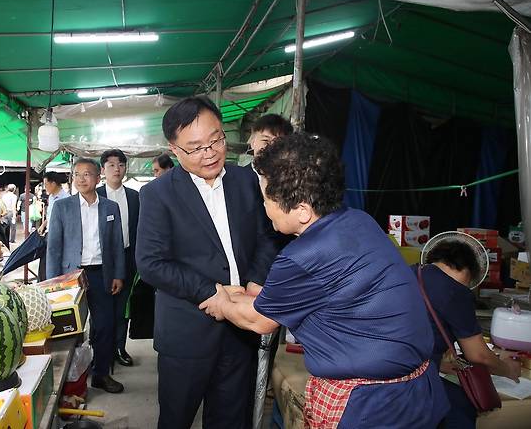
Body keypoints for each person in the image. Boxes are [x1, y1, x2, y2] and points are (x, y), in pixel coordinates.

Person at [200, 133, 449, 428]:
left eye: (266, 198)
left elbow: (260, 321)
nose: (264, 208)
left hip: (372, 404)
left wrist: (221, 303)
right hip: (417, 387)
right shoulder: (358, 220)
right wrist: (237, 295)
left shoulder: (303, 255)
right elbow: (300, 295)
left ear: (302, 211)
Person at [136, 95, 279, 429]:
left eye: (216, 140)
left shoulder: (248, 181)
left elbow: (268, 236)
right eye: (196, 147)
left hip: (241, 326)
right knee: (176, 418)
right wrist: (210, 293)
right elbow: (150, 262)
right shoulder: (158, 195)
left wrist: (256, 282)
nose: (210, 152)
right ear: (175, 149)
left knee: (231, 418)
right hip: (187, 331)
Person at [414, 238, 521, 428]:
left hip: (384, 375)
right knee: (461, 408)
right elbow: (479, 356)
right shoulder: (455, 292)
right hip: (415, 384)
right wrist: (507, 369)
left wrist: (437, 363)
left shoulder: (410, 273)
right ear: (469, 270)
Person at [47, 158, 126, 393]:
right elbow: (54, 246)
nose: (81, 179)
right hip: (72, 277)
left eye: (87, 174)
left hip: (102, 274)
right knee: (70, 329)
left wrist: (118, 275)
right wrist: (54, 282)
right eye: (77, 174)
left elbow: (116, 244)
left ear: (97, 177)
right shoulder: (62, 207)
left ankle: (101, 374)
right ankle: (68, 381)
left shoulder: (110, 208)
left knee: (104, 326)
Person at [98, 149, 140, 367]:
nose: (117, 168)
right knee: (102, 308)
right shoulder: (96, 195)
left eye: (121, 164)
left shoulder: (134, 197)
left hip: (127, 257)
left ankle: (119, 348)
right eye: (112, 164)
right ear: (103, 169)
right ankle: (100, 351)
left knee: (123, 308)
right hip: (100, 260)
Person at [37, 172, 70, 281]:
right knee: (44, 261)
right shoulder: (51, 197)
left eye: (46, 184)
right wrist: (43, 225)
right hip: (49, 233)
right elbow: (50, 216)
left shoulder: (66, 199)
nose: (44, 187)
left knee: (53, 261)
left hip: (59, 236)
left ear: (54, 183)